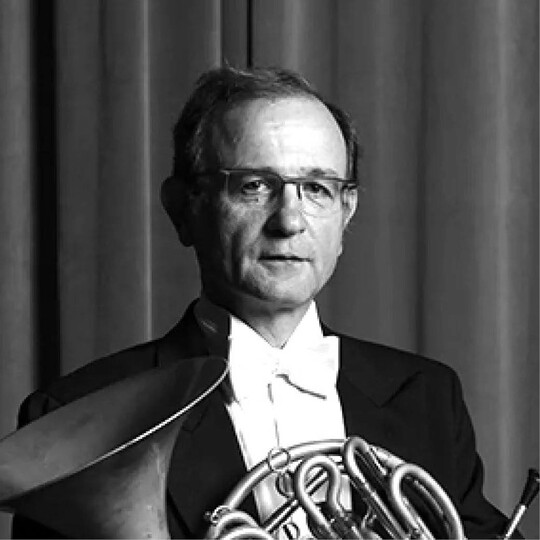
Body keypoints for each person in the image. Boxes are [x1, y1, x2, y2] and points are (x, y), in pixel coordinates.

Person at [12, 66, 512, 539]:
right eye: (254, 186)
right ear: (183, 209)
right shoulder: (75, 418)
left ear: (346, 213)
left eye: (316, 188)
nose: (289, 221)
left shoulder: (427, 397)